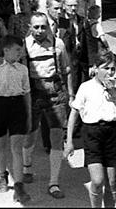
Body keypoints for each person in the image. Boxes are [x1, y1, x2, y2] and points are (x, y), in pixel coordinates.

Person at [64, 50, 116, 208]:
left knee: (111, 183)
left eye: (113, 69)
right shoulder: (86, 87)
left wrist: (114, 94)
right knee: (97, 180)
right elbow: (74, 114)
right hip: (92, 133)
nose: (109, 72)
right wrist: (69, 141)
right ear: (95, 69)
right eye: (106, 68)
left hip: (112, 132)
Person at [22, 12, 74, 199]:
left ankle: (54, 182)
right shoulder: (24, 45)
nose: (39, 30)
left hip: (55, 94)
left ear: (48, 27)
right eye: (35, 27)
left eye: (43, 26)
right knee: (30, 134)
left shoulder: (58, 44)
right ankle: (27, 166)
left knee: (56, 136)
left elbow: (67, 70)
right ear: (30, 27)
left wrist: (70, 94)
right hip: (33, 93)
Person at [0, 35, 33, 204]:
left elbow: (27, 94)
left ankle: (19, 186)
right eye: (17, 50)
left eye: (21, 49)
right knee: (1, 144)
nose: (21, 53)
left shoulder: (23, 69)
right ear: (6, 50)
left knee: (16, 147)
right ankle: (3, 175)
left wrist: (28, 115)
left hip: (17, 107)